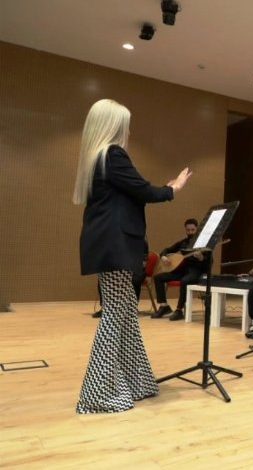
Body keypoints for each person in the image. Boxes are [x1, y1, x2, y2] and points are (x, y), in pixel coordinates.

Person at [73, 98, 191, 413]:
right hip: (115, 244)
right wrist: (173, 188)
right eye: (125, 125)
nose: (128, 131)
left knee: (125, 313)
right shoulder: (112, 154)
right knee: (115, 315)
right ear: (113, 126)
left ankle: (135, 382)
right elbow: (144, 190)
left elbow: (134, 191)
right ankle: (97, 395)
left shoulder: (97, 158)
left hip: (109, 243)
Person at [151, 218, 209, 321]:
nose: (190, 232)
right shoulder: (183, 243)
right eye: (188, 230)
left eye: (192, 230)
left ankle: (179, 310)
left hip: (196, 271)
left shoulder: (204, 244)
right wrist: (163, 256)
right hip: (183, 270)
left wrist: (201, 258)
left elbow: (209, 263)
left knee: (184, 281)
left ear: (197, 229)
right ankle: (164, 306)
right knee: (158, 277)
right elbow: (167, 250)